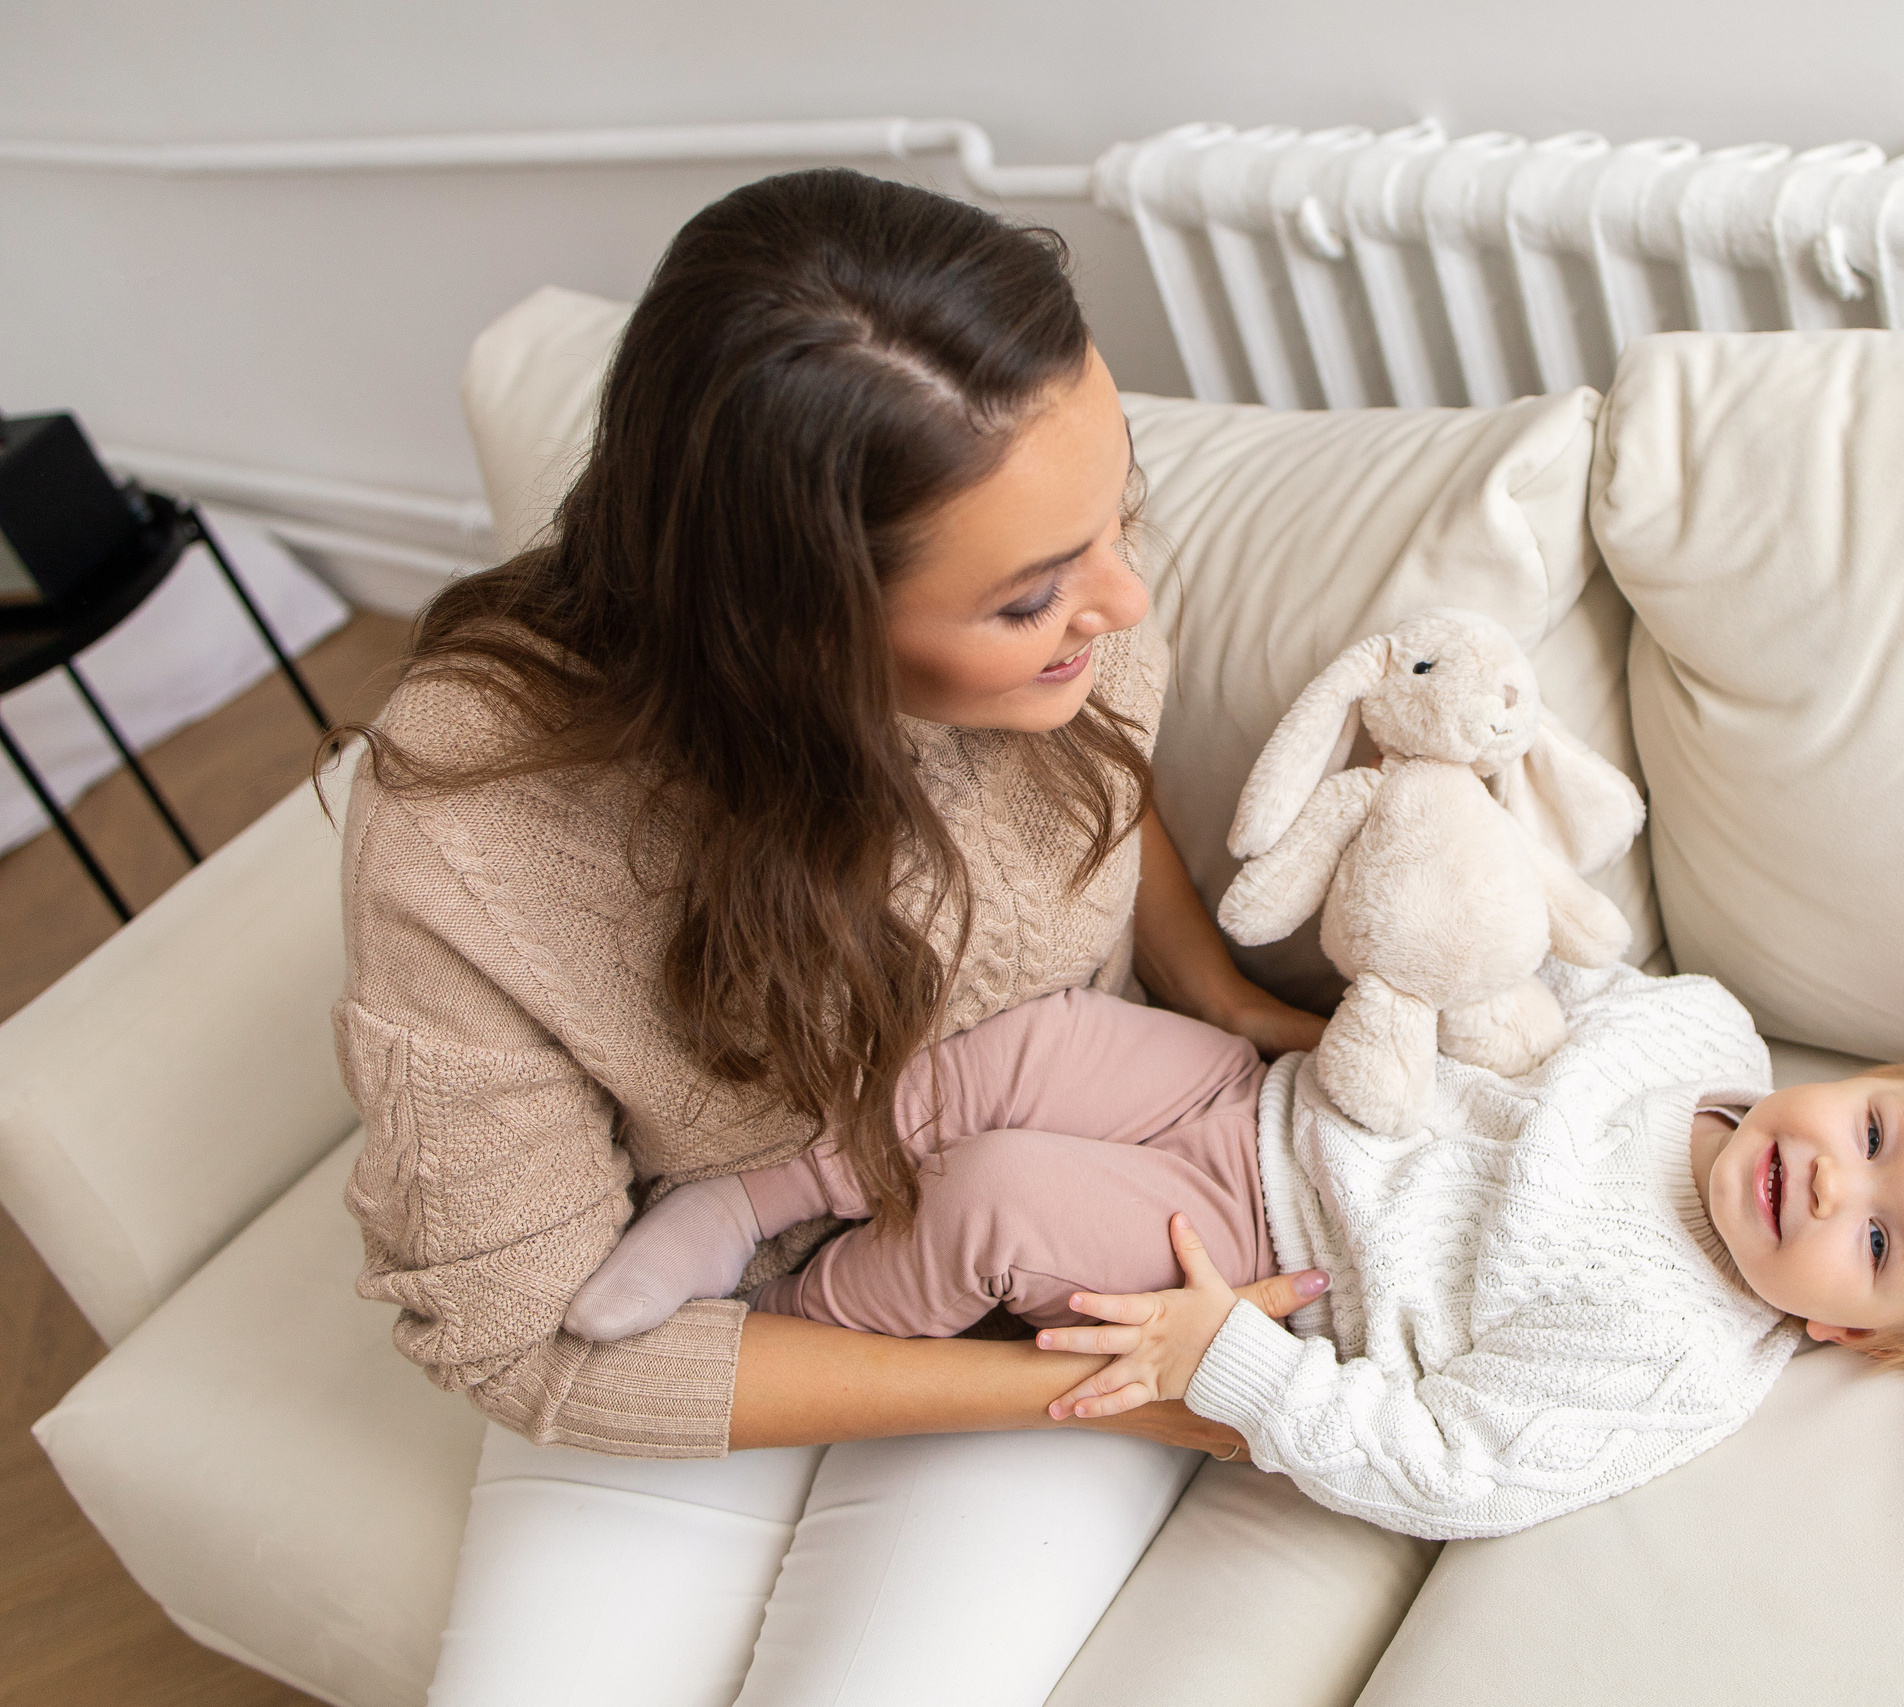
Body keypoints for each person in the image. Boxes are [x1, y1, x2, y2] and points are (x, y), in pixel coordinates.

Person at [332, 167, 1330, 1704]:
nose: (1122, 602)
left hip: (1055, 1242)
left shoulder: (1077, 613)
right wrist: (1034, 1393)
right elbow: (526, 1336)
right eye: (1033, 596)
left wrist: (1219, 995)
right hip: (690, 1302)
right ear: (789, 630)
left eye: (1116, 511)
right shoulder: (474, 824)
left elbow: (1108, 813)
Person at [571, 963, 1904, 1539]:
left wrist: (1237, 1361)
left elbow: (1454, 1469)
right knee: (1022, 1045)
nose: (1826, 1180)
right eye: (1872, 1131)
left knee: (992, 1200)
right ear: (1865, 1080)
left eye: (1877, 1245)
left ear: (1853, 1337)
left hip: (1261, 1250)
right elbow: (1509, 979)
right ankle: (753, 1196)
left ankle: (804, 1309)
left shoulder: (1669, 1354)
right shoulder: (1699, 1027)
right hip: (1256, 1094)